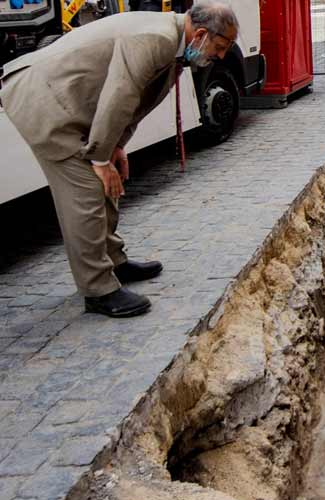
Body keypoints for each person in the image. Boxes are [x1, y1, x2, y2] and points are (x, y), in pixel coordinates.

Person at [0, 2, 238, 317]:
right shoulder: (158, 38)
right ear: (202, 33)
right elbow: (121, 94)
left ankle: (114, 262)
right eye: (220, 48)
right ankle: (98, 289)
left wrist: (114, 148)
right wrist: (99, 158)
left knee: (108, 178)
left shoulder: (176, 45)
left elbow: (136, 102)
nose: (220, 56)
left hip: (73, 102)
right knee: (85, 190)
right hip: (44, 101)